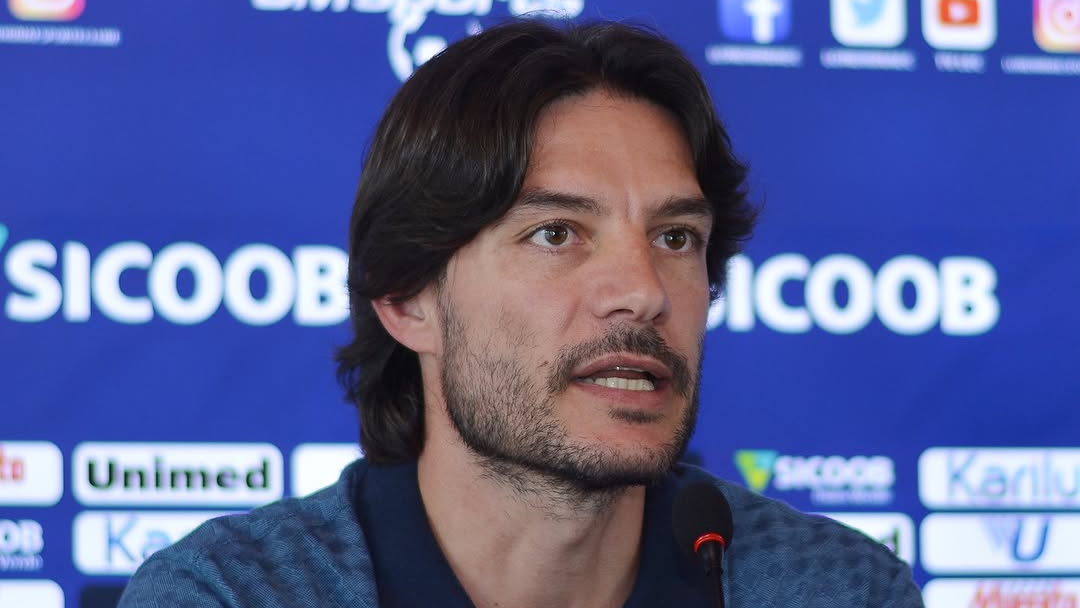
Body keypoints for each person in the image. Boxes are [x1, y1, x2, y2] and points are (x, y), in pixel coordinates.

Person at [119, 18, 924, 608]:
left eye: (676, 237)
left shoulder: (840, 590)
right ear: (405, 298)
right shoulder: (232, 593)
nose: (643, 290)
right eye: (556, 233)